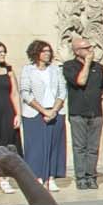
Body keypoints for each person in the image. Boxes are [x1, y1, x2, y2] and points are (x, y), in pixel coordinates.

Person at [13, 37, 67, 187]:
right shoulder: (28, 70)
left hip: (55, 111)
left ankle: (51, 177)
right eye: (44, 51)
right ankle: (37, 177)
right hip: (34, 112)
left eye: (49, 51)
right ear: (36, 53)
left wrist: (54, 110)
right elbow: (25, 92)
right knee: (36, 146)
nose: (47, 54)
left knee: (54, 145)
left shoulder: (56, 69)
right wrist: (43, 111)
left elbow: (62, 91)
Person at [61, 38, 103, 191]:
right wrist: (87, 63)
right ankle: (81, 178)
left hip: (96, 112)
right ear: (77, 51)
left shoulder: (98, 67)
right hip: (78, 112)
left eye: (90, 46)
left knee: (93, 148)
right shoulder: (69, 66)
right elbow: (80, 81)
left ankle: (91, 176)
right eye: (86, 48)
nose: (90, 50)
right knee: (79, 147)